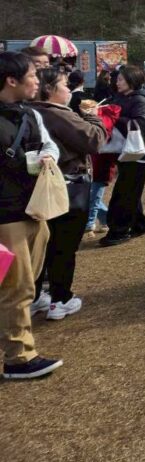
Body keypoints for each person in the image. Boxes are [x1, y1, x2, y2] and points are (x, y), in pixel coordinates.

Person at [0, 52, 62, 380]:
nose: (38, 80)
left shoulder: (30, 114)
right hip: (6, 216)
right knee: (17, 287)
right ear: (11, 80)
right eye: (32, 75)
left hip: (34, 209)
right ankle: (19, 358)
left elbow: (50, 146)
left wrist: (48, 157)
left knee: (25, 283)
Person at [29, 69, 107, 320]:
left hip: (34, 190)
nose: (69, 90)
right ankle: (60, 299)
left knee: (41, 245)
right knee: (63, 246)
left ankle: (35, 297)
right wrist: (94, 118)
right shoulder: (58, 114)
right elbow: (94, 140)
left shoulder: (26, 112)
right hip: (67, 186)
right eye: (64, 85)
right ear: (49, 89)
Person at [99, 65, 145, 247]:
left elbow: (140, 123)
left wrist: (114, 118)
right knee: (130, 190)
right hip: (126, 150)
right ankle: (139, 225)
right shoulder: (121, 97)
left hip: (138, 152)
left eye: (120, 79)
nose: (116, 82)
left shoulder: (141, 100)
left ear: (131, 81)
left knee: (125, 192)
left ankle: (119, 231)